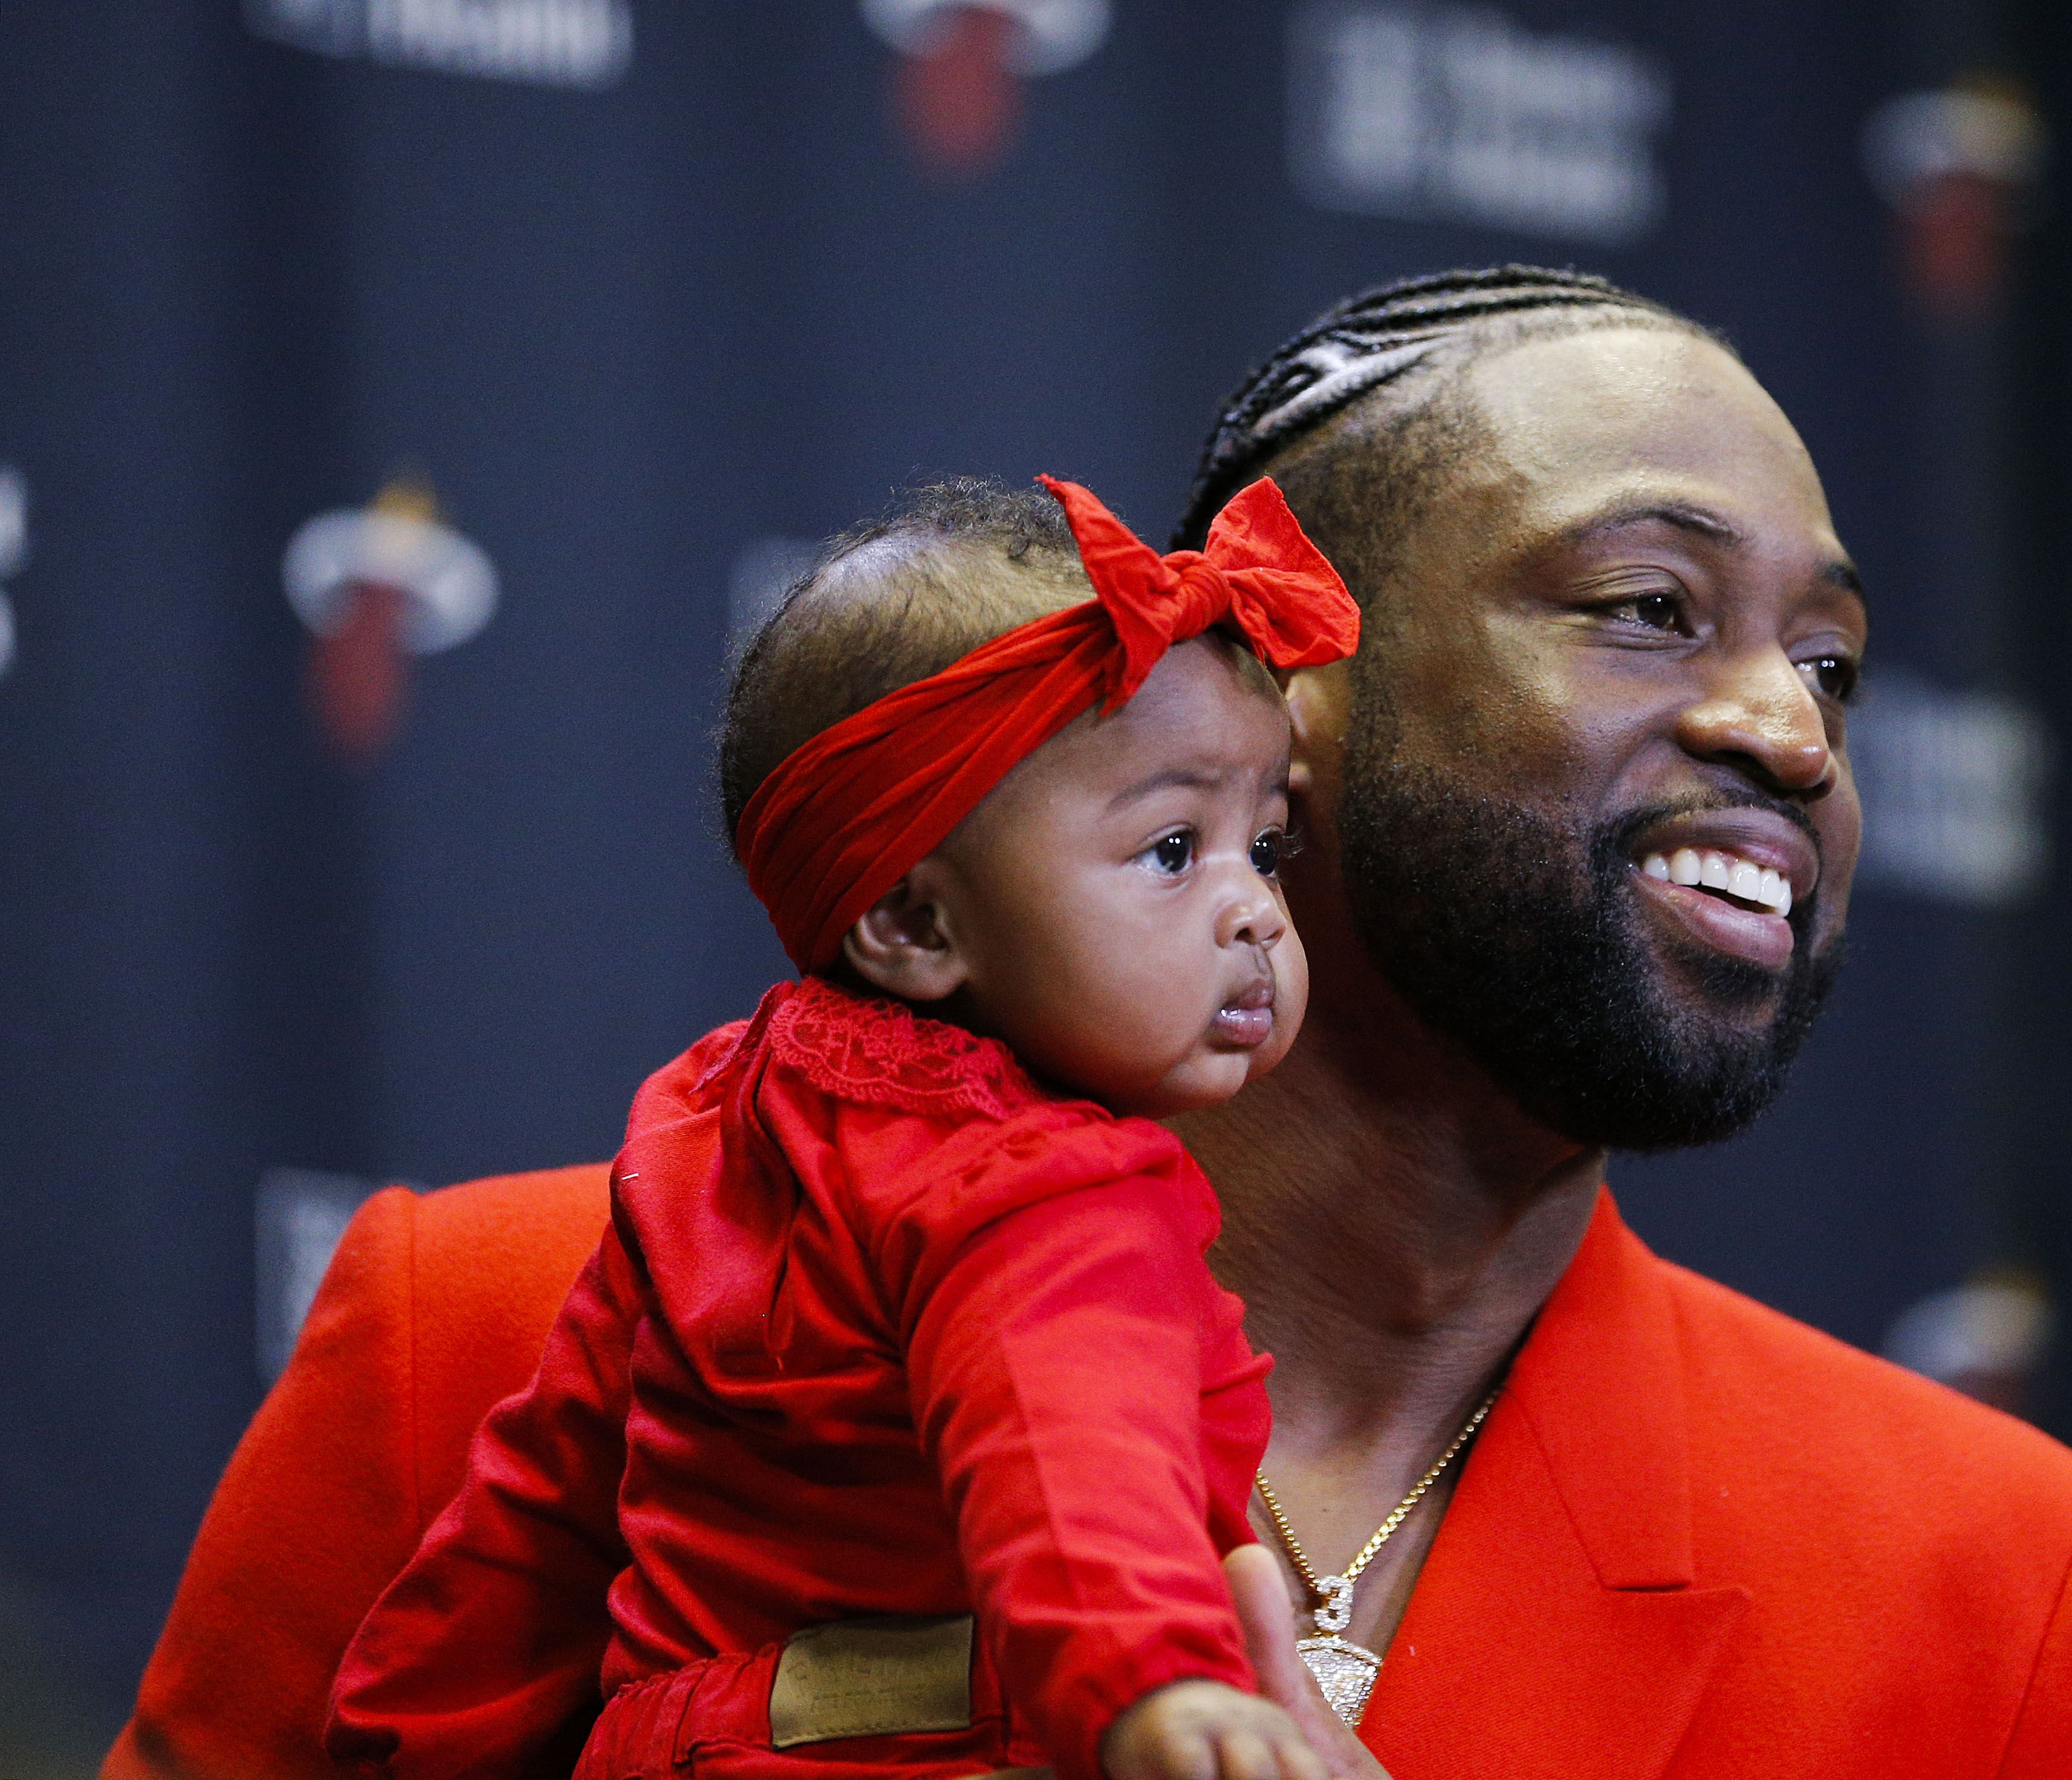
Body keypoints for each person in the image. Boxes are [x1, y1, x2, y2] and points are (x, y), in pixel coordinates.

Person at [106, 267, 2072, 1780]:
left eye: (1825, 663)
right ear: (1279, 698)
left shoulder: (2008, 1591)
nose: (1783, 731)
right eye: (1646, 607)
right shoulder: (486, 1325)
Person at [327, 474, 1370, 1780]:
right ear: (916, 924)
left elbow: (543, 1499)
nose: (1256, 913)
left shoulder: (725, 1120)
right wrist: (1151, 1683)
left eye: (1264, 847)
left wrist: (407, 1732)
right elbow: (1068, 1452)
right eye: (1172, 848)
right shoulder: (1041, 1184)